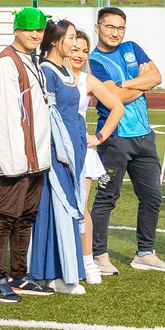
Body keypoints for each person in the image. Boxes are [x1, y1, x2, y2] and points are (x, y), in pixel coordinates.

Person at [26, 20, 115, 294]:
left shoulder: (65, 72)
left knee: (70, 209)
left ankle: (65, 270)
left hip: (75, 152)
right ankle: (53, 273)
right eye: (72, 38)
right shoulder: (47, 71)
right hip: (58, 153)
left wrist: (93, 139)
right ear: (56, 41)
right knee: (58, 210)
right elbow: (49, 117)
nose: (75, 44)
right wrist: (62, 150)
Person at [87, 6, 165, 274]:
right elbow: (114, 100)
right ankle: (99, 255)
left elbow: (157, 77)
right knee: (107, 197)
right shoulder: (94, 62)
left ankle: (145, 253)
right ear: (98, 28)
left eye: (120, 28)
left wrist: (123, 85)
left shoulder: (132, 47)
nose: (115, 33)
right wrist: (139, 83)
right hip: (114, 138)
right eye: (110, 27)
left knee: (152, 196)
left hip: (144, 136)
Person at [0, 7, 55, 299]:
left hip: (35, 157)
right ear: (16, 30)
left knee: (26, 217)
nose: (35, 35)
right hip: (17, 159)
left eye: (39, 30)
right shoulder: (6, 64)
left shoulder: (31, 61)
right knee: (6, 218)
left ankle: (19, 274)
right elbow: (2, 117)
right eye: (29, 29)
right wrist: (13, 162)